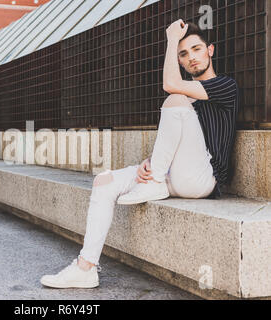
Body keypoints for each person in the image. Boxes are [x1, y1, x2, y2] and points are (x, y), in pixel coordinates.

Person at [40, 20, 239, 289]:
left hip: (203, 180)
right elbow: (177, 140)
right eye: (183, 54)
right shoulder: (183, 102)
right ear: (179, 61)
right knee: (104, 182)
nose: (191, 57)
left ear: (210, 50)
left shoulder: (226, 87)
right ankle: (85, 267)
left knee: (176, 98)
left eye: (197, 49)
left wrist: (171, 40)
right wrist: (150, 161)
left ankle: (155, 178)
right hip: (172, 175)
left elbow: (171, 85)